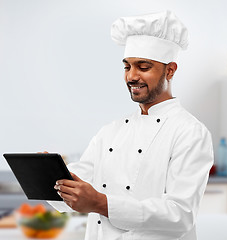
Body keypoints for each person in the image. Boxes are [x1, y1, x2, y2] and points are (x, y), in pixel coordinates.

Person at [48, 10, 213, 240]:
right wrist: (50, 177)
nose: (131, 77)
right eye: (127, 67)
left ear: (170, 70)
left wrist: (100, 203)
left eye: (143, 67)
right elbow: (77, 185)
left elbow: (180, 215)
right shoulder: (111, 131)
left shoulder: (189, 132)